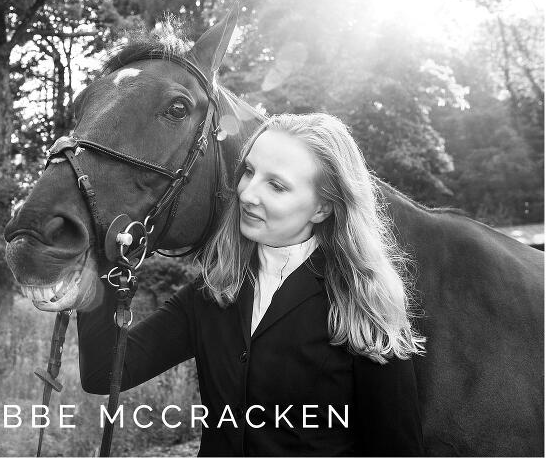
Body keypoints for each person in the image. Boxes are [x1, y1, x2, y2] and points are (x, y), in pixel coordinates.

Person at [78, 113, 426, 456]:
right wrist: (93, 270)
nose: (246, 194)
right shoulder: (215, 288)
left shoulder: (362, 303)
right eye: (248, 171)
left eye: (276, 185)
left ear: (322, 208)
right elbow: (105, 371)